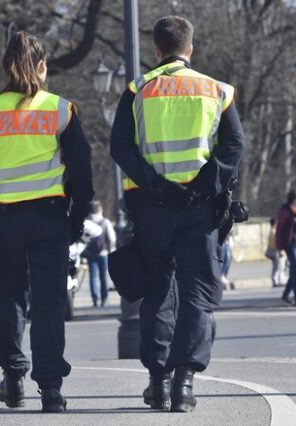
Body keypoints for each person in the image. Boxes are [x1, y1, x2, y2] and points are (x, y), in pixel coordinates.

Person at [110, 16, 244, 412]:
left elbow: (121, 147)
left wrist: (157, 186)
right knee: (198, 295)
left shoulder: (137, 90)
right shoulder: (217, 90)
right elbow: (234, 145)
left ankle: (158, 381)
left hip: (154, 209)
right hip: (199, 209)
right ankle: (184, 384)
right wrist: (202, 186)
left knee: (157, 292)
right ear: (190, 47)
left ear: (156, 49)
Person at [0, 31, 94, 413]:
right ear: (41, 67)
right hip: (50, 217)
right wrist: (79, 215)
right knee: (50, 302)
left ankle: (14, 379)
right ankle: (50, 389)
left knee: (9, 299)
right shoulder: (60, 110)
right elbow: (82, 171)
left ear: (6, 67)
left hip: (4, 220)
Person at [83, 200, 116, 307]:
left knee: (92, 276)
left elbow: (83, 239)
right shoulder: (105, 222)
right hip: (103, 253)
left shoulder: (87, 223)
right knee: (104, 276)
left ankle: (95, 299)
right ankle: (104, 299)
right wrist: (110, 250)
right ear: (100, 209)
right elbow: (111, 238)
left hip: (91, 253)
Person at [276, 190, 296, 306]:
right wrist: (280, 248)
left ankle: (286, 294)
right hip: (290, 245)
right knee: (295, 268)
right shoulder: (285, 211)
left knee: (294, 271)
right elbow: (279, 231)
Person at [266, 218, 287, 292]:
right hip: (276, 251)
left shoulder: (271, 231)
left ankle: (277, 280)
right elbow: (277, 242)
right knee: (278, 267)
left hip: (275, 251)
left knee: (277, 267)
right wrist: (281, 250)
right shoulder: (274, 232)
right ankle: (276, 280)